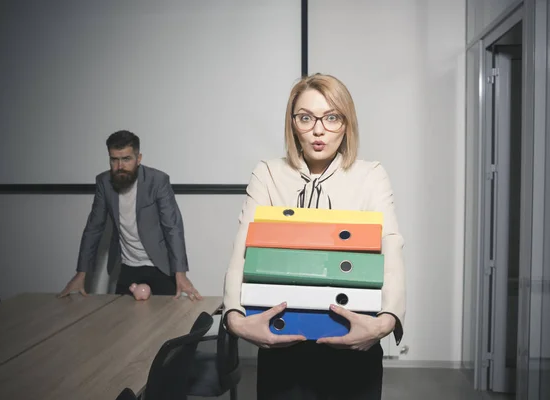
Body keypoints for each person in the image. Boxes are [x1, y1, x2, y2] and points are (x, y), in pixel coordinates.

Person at [222, 73, 406, 399]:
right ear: (293, 124)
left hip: (354, 345)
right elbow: (242, 250)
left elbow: (390, 248)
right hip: (282, 346)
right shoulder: (268, 173)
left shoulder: (370, 176)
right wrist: (234, 318)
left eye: (331, 117)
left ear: (347, 124)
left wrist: (385, 322)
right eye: (306, 118)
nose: (318, 130)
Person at [58, 130, 202, 300]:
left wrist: (180, 273)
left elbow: (173, 227)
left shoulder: (157, 181)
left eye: (126, 159)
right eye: (114, 160)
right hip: (127, 266)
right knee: (121, 321)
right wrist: (81, 274)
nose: (120, 166)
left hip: (160, 265)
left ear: (138, 158)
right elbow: (93, 228)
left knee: (167, 319)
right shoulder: (104, 183)